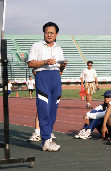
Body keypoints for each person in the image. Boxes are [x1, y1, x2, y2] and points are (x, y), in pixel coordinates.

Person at [27, 22, 67, 151]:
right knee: (43, 108)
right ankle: (46, 140)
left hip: (55, 77)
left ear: (56, 34)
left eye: (52, 33)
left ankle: (48, 138)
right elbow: (30, 63)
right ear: (44, 33)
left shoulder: (59, 48)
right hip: (42, 76)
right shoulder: (37, 46)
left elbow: (60, 70)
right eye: (47, 32)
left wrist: (63, 66)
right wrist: (45, 62)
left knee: (52, 110)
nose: (49, 35)